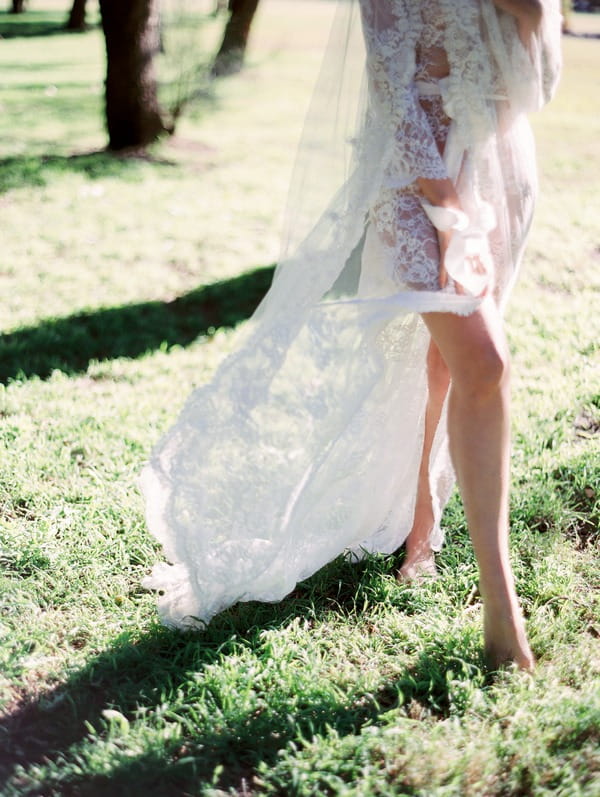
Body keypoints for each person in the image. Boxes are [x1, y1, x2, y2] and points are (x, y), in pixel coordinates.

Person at [141, 0, 561, 670]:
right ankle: (500, 608)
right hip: (413, 176)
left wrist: (530, 14)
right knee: (485, 363)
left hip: (497, 168)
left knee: (447, 365)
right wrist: (449, 214)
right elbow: (396, 95)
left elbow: (536, 89)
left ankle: (423, 522)